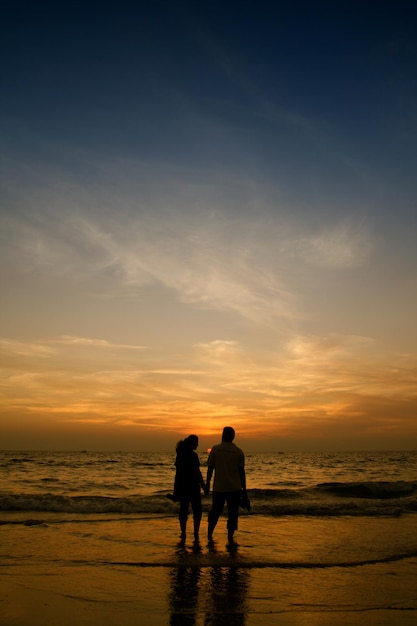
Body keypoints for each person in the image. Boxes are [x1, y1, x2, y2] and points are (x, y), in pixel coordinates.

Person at [205, 426, 248, 544]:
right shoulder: (238, 452)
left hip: (219, 487)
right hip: (235, 487)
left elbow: (210, 469)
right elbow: (241, 473)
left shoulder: (215, 450)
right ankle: (230, 537)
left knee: (215, 511)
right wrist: (244, 490)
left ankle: (209, 534)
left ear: (222, 435)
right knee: (233, 513)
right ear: (233, 437)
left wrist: (207, 484)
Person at [167, 434, 206, 542]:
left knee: (183, 510)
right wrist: (203, 485)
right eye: (196, 443)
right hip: (193, 486)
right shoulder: (193, 456)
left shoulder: (180, 455)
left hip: (182, 485)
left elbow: (178, 473)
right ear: (192, 443)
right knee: (197, 510)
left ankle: (183, 533)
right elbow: (197, 471)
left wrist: (176, 489)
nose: (197, 445)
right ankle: (196, 533)